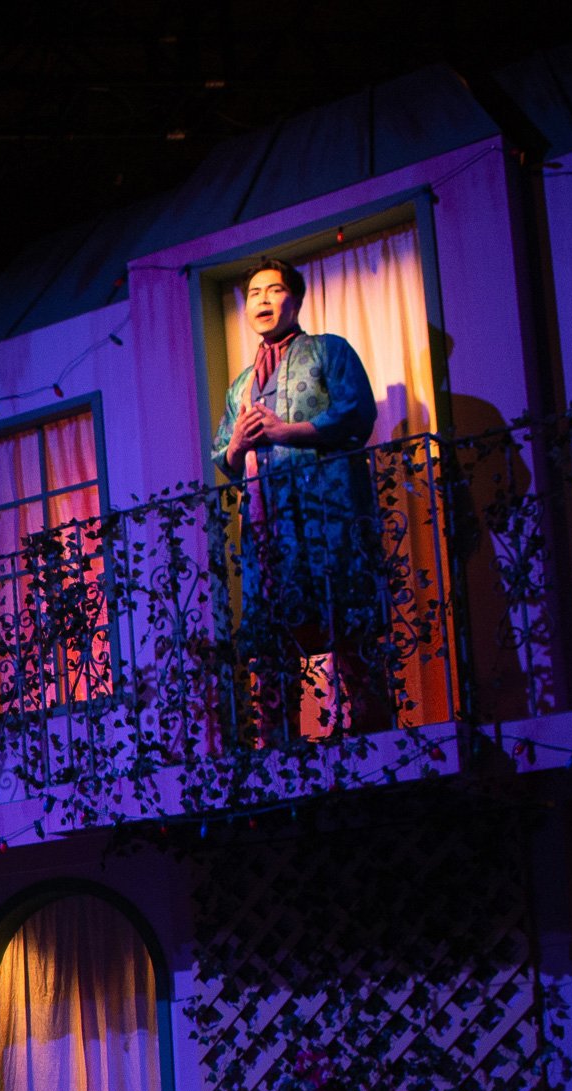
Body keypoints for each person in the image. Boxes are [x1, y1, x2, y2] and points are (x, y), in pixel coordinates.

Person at [211, 260, 387, 735]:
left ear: (296, 299)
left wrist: (286, 432)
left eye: (274, 290)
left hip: (328, 515)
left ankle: (370, 732)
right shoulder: (240, 385)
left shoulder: (328, 350)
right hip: (268, 527)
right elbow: (225, 456)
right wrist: (238, 442)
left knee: (345, 618)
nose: (263, 300)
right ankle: (279, 740)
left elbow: (357, 412)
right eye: (254, 293)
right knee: (273, 635)